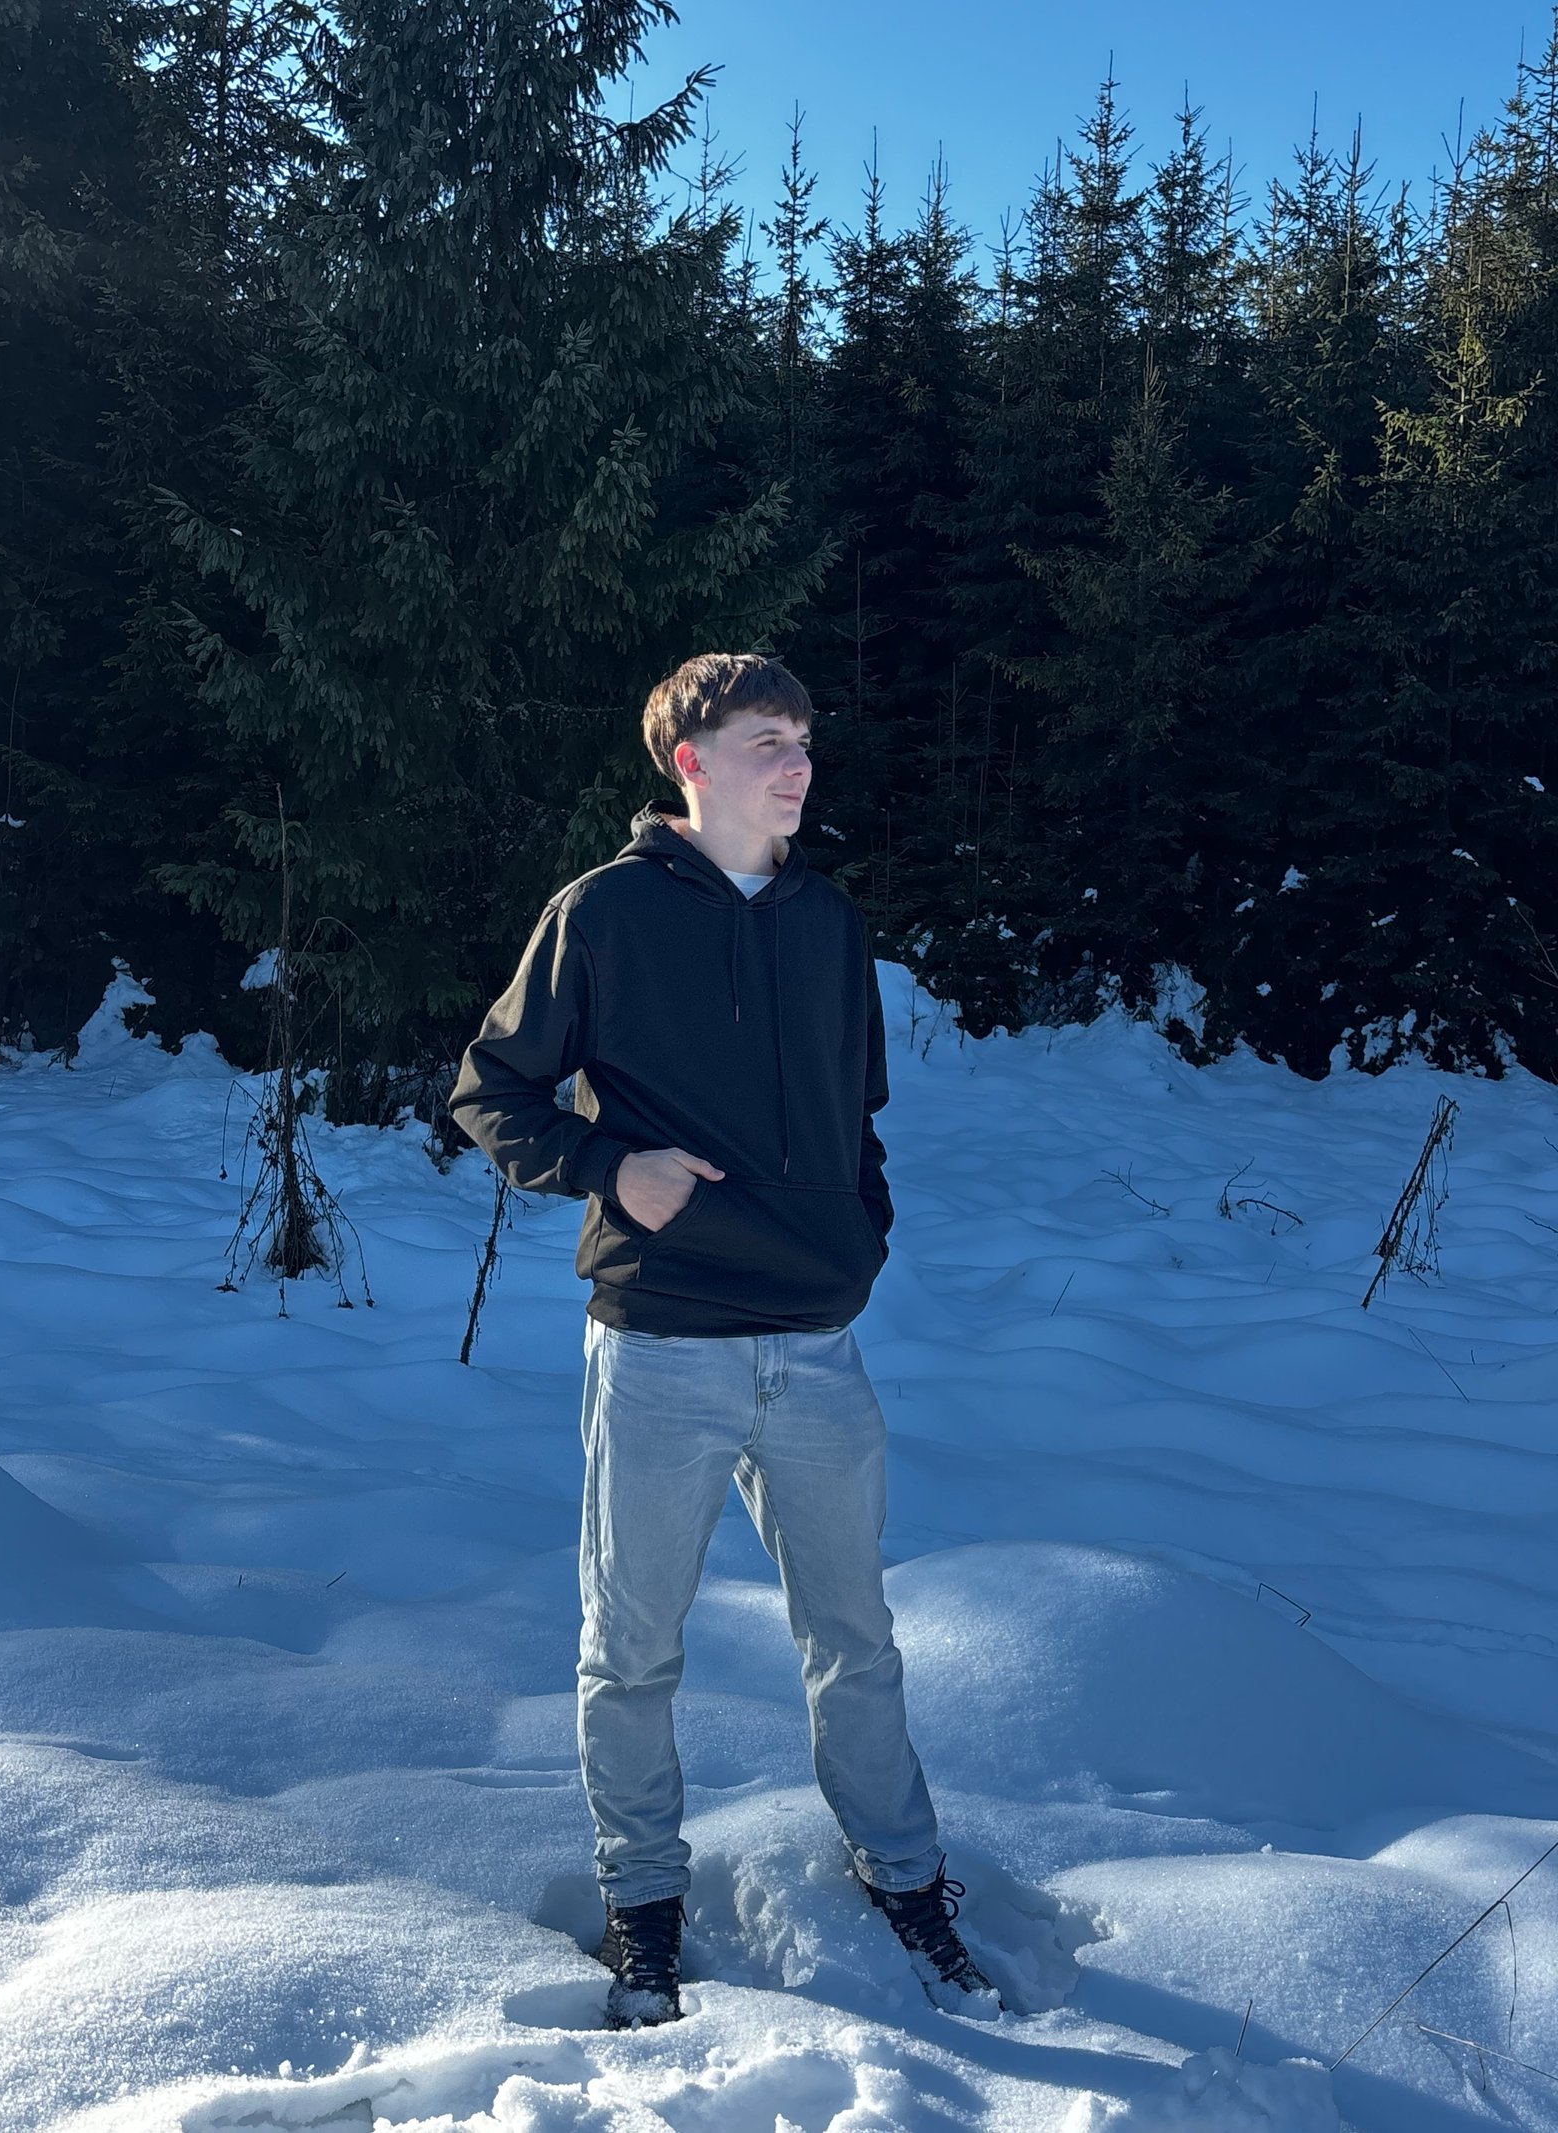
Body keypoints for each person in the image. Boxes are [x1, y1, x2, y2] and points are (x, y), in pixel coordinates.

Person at [448, 653, 995, 2029]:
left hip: (816, 1348)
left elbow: (858, 1114)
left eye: (804, 740)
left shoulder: (831, 923)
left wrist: (858, 1234)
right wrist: (606, 1166)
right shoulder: (604, 913)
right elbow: (490, 1091)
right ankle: (642, 1905)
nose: (799, 765)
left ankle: (907, 1877)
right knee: (632, 1649)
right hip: (663, 1347)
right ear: (690, 762)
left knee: (856, 1639)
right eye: (768, 741)